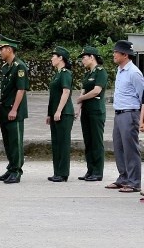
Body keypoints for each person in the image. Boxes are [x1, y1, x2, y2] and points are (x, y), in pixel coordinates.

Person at [106, 40, 144, 193]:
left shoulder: (134, 73)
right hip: (119, 113)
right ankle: (124, 178)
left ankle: (134, 182)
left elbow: (143, 97)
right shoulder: (119, 70)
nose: (114, 54)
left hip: (130, 113)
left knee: (130, 149)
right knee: (119, 147)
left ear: (125, 55)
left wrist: (141, 119)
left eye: (116, 52)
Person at [0, 35, 29, 184]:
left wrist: (14, 109)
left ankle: (17, 171)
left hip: (14, 111)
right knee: (8, 142)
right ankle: (11, 168)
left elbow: (21, 90)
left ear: (9, 49)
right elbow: (5, 91)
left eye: (1, 49)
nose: (0, 52)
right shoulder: (6, 67)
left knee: (15, 141)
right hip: (5, 110)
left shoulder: (19, 66)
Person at [75, 46, 107, 181]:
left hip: (96, 111)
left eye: (84, 57)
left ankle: (98, 171)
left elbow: (96, 91)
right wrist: (78, 108)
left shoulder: (101, 72)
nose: (82, 60)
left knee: (96, 141)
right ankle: (90, 170)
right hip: (86, 111)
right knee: (88, 141)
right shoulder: (87, 73)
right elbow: (82, 91)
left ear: (92, 57)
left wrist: (81, 98)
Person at [46, 46, 74, 182]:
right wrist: (49, 113)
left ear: (61, 58)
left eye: (54, 56)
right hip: (55, 114)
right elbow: (53, 97)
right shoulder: (57, 74)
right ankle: (57, 171)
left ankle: (63, 173)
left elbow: (66, 92)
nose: (52, 58)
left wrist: (58, 111)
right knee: (56, 143)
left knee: (63, 143)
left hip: (64, 113)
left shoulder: (65, 73)